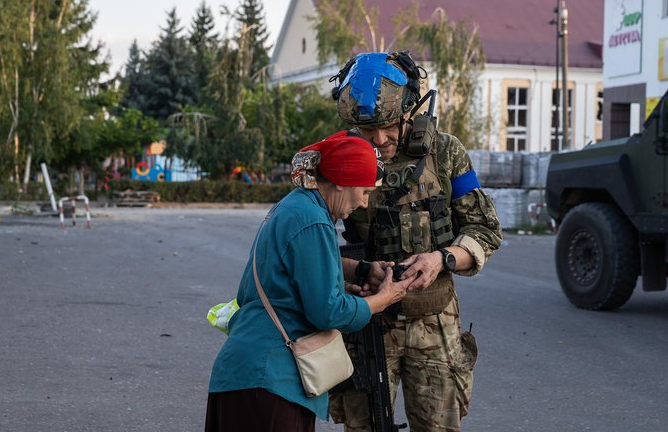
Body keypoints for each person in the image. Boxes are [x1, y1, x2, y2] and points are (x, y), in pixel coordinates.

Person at [329, 51, 503, 432]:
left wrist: (442, 259)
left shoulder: (445, 152)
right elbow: (314, 242)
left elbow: (484, 229)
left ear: (411, 109)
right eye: (368, 129)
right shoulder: (342, 158)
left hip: (435, 325)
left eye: (389, 125)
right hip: (369, 324)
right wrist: (357, 271)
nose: (379, 139)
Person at [205, 131, 415, 432]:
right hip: (270, 380)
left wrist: (359, 270)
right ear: (342, 181)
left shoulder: (295, 206)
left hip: (246, 375)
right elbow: (328, 312)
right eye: (365, 192)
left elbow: (297, 263)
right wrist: (384, 298)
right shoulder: (313, 219)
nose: (365, 203)